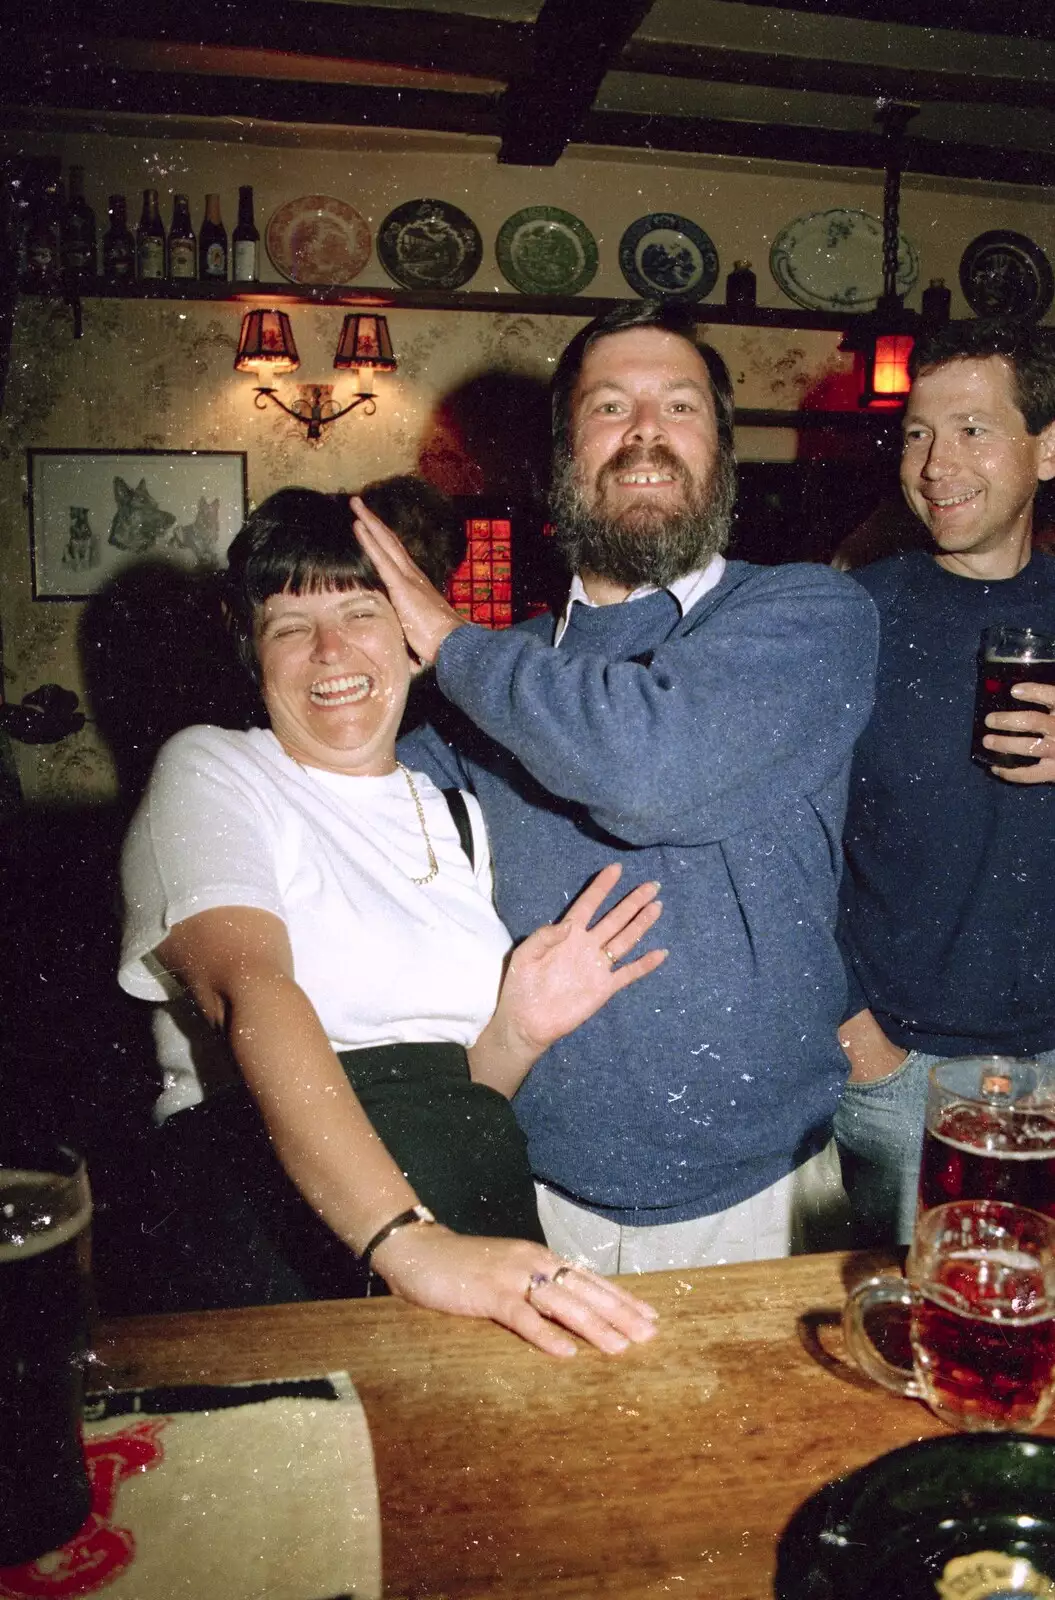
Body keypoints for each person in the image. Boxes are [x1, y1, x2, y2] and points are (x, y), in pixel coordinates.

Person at [355, 299, 879, 1274]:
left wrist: (457, 647)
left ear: (721, 451)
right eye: (608, 406)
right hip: (531, 1187)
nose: (644, 429)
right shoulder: (496, 674)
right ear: (560, 456)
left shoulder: (807, 613)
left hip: (759, 1194)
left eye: (678, 406)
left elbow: (650, 771)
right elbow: (361, 819)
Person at [118, 488, 666, 1357]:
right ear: (253, 654)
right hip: (290, 1232)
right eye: (289, 624)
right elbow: (252, 995)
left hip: (470, 1219)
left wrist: (517, 1033)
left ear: (413, 640)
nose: (329, 649)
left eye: (359, 610)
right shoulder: (214, 768)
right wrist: (408, 1243)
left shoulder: (453, 815)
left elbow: (459, 1094)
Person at [835, 318, 1055, 1245]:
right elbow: (776, 839)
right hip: (904, 1074)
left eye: (971, 429)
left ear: (1046, 449)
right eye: (917, 433)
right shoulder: (849, 615)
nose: (934, 464)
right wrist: (863, 1050)